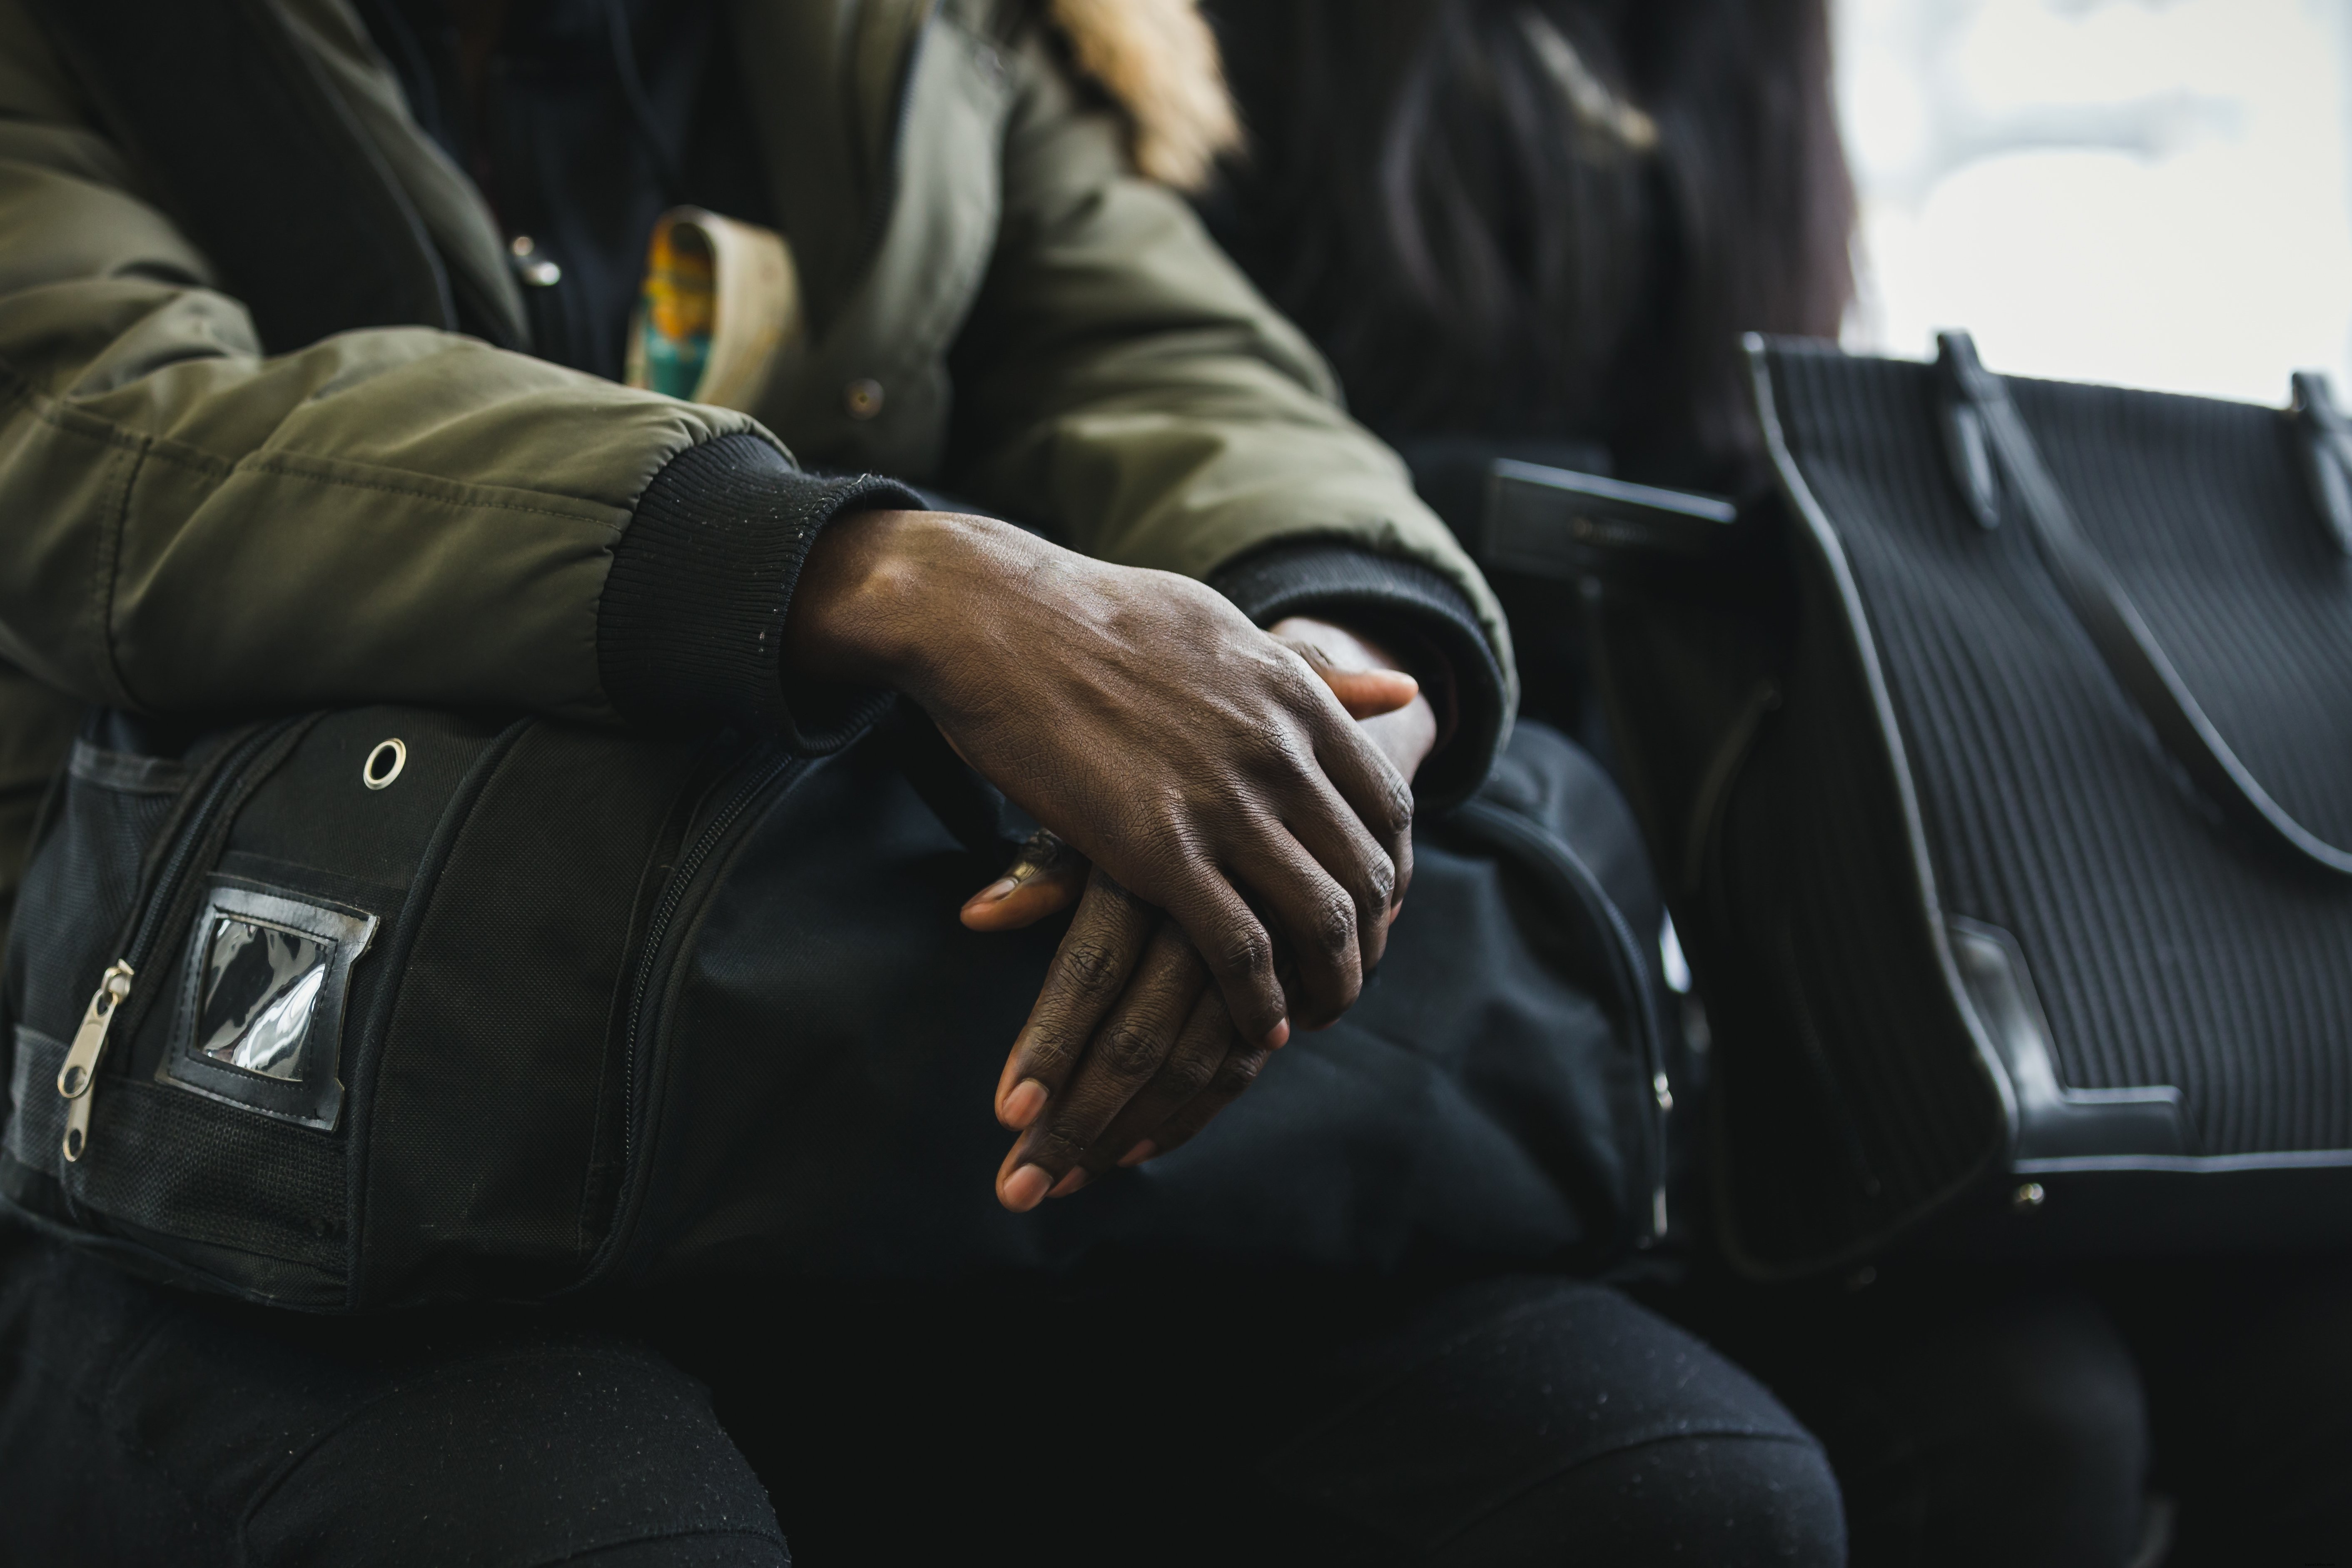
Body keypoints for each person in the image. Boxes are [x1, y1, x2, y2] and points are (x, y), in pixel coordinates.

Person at [0, 0, 1845, 1562]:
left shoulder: (932, 39)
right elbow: (103, 447)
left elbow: (1177, 365)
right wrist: (870, 574)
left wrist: (1316, 676)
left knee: (1679, 1491)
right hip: (236, 1097)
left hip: (837, 1040)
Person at [1198, 2, 2352, 1564]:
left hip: (1727, 918)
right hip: (1469, 839)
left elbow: (1749, 442)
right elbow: (1175, 415)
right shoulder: (1238, 57)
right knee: (2029, 1414)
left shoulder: (1738, 47)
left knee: (2298, 1376)